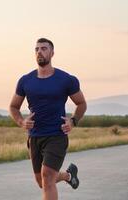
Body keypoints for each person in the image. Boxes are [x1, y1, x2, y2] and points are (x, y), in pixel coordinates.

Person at [9, 38, 87, 200]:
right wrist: (22, 122)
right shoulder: (26, 80)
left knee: (47, 178)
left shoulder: (66, 79)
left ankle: (63, 176)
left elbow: (81, 103)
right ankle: (67, 176)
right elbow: (13, 107)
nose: (39, 52)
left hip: (56, 135)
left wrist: (73, 121)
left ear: (52, 53)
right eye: (36, 49)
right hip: (35, 136)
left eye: (44, 49)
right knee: (41, 181)